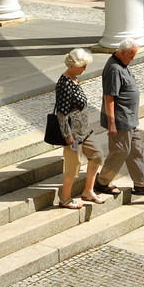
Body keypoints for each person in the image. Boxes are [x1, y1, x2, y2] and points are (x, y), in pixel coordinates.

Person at [93, 40, 144, 198]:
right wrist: (112, 124)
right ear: (122, 52)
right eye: (131, 55)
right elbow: (109, 98)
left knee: (136, 150)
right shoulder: (114, 69)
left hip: (130, 119)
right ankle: (102, 181)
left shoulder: (123, 62)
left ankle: (141, 184)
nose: (133, 59)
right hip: (121, 121)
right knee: (120, 151)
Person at [53, 48, 107, 209]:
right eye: (83, 66)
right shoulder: (64, 84)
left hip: (84, 131)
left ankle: (88, 191)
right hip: (73, 135)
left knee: (97, 155)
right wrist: (68, 136)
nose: (85, 69)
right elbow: (61, 114)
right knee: (73, 165)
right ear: (73, 65)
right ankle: (65, 198)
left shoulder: (75, 79)